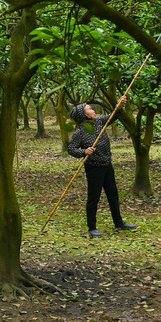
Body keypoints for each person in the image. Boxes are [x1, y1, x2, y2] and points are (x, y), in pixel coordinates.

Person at [67, 98, 137, 237]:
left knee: (113, 194)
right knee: (94, 197)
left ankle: (119, 222)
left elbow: (114, 115)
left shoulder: (99, 122)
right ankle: (92, 227)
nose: (93, 110)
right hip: (94, 168)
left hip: (107, 165)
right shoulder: (80, 132)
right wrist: (84, 151)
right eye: (89, 109)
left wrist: (119, 105)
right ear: (84, 115)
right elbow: (71, 148)